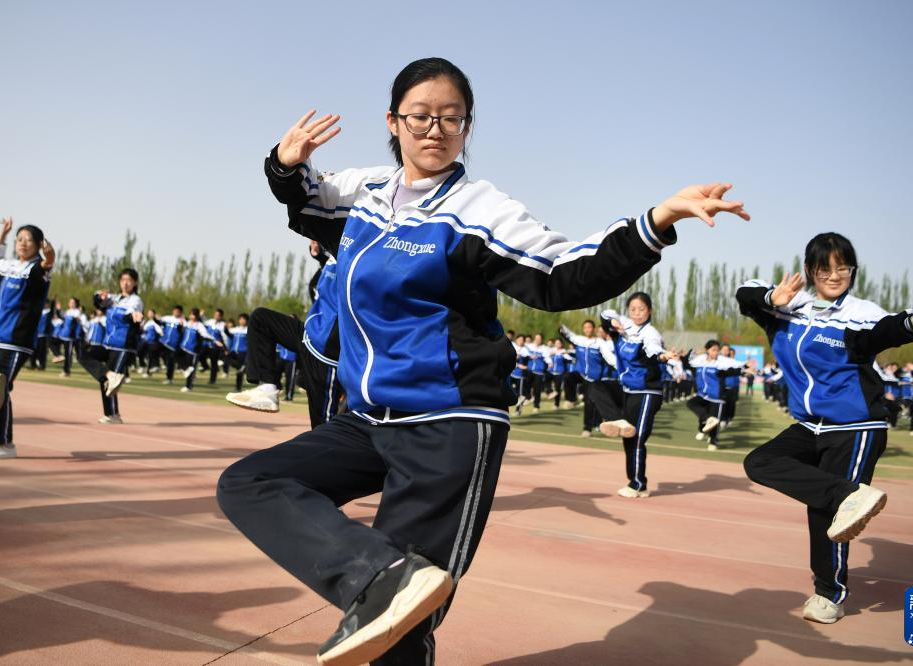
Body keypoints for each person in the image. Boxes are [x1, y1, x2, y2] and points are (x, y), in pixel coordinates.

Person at [215, 57, 748, 666]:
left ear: (467, 127)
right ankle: (376, 576)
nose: (435, 129)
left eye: (452, 118)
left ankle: (383, 586)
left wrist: (655, 223)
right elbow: (305, 200)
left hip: (448, 423)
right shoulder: (362, 194)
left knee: (399, 631)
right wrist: (283, 164)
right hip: (367, 420)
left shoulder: (479, 209)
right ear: (392, 122)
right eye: (420, 116)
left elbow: (563, 276)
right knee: (252, 482)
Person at [737, 232, 913, 625]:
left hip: (857, 425)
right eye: (825, 268)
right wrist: (772, 298)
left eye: (843, 268)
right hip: (810, 425)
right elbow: (745, 294)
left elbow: (887, 328)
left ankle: (829, 594)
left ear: (853, 270)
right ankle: (850, 494)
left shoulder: (859, 313)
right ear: (809, 270)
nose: (834, 276)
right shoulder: (787, 308)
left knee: (825, 514)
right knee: (760, 462)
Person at [226, 243, 344, 426]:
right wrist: (318, 251)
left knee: (324, 429)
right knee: (261, 319)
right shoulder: (330, 259)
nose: (313, 242)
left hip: (327, 350)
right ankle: (267, 389)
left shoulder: (355, 254)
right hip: (309, 334)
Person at [0, 217, 56, 459]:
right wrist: (3, 235)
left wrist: (49, 254)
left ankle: (4, 445)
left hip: (16, 342)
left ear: (38, 245)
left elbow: (47, 264)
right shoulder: (11, 268)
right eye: (19, 239)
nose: (23, 243)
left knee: (0, 386)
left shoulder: (36, 272)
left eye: (28, 240)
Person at [600, 292, 671, 498]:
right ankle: (636, 482)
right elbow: (605, 315)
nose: (637, 313)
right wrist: (613, 321)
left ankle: (638, 484)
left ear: (649, 311)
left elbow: (653, 349)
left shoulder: (650, 333)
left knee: (637, 438)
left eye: (641, 309)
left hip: (647, 391)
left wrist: (663, 355)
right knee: (628, 436)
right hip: (629, 389)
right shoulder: (624, 325)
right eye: (633, 309)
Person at [79, 269, 144, 424]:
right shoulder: (114, 299)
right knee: (83, 354)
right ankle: (109, 376)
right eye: (123, 280)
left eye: (129, 280)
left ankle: (112, 415)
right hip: (108, 344)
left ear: (135, 283)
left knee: (109, 381)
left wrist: (134, 315)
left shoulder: (136, 300)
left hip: (123, 346)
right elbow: (98, 301)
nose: (125, 283)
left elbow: (132, 313)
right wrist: (99, 296)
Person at [684, 340, 743, 451]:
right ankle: (706, 421)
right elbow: (687, 363)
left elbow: (732, 371)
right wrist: (692, 352)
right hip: (703, 395)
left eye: (717, 350)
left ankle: (713, 441)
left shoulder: (720, 364)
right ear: (707, 350)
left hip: (717, 398)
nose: (716, 352)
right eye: (713, 350)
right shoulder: (700, 363)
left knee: (715, 421)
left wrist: (745, 369)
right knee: (691, 403)